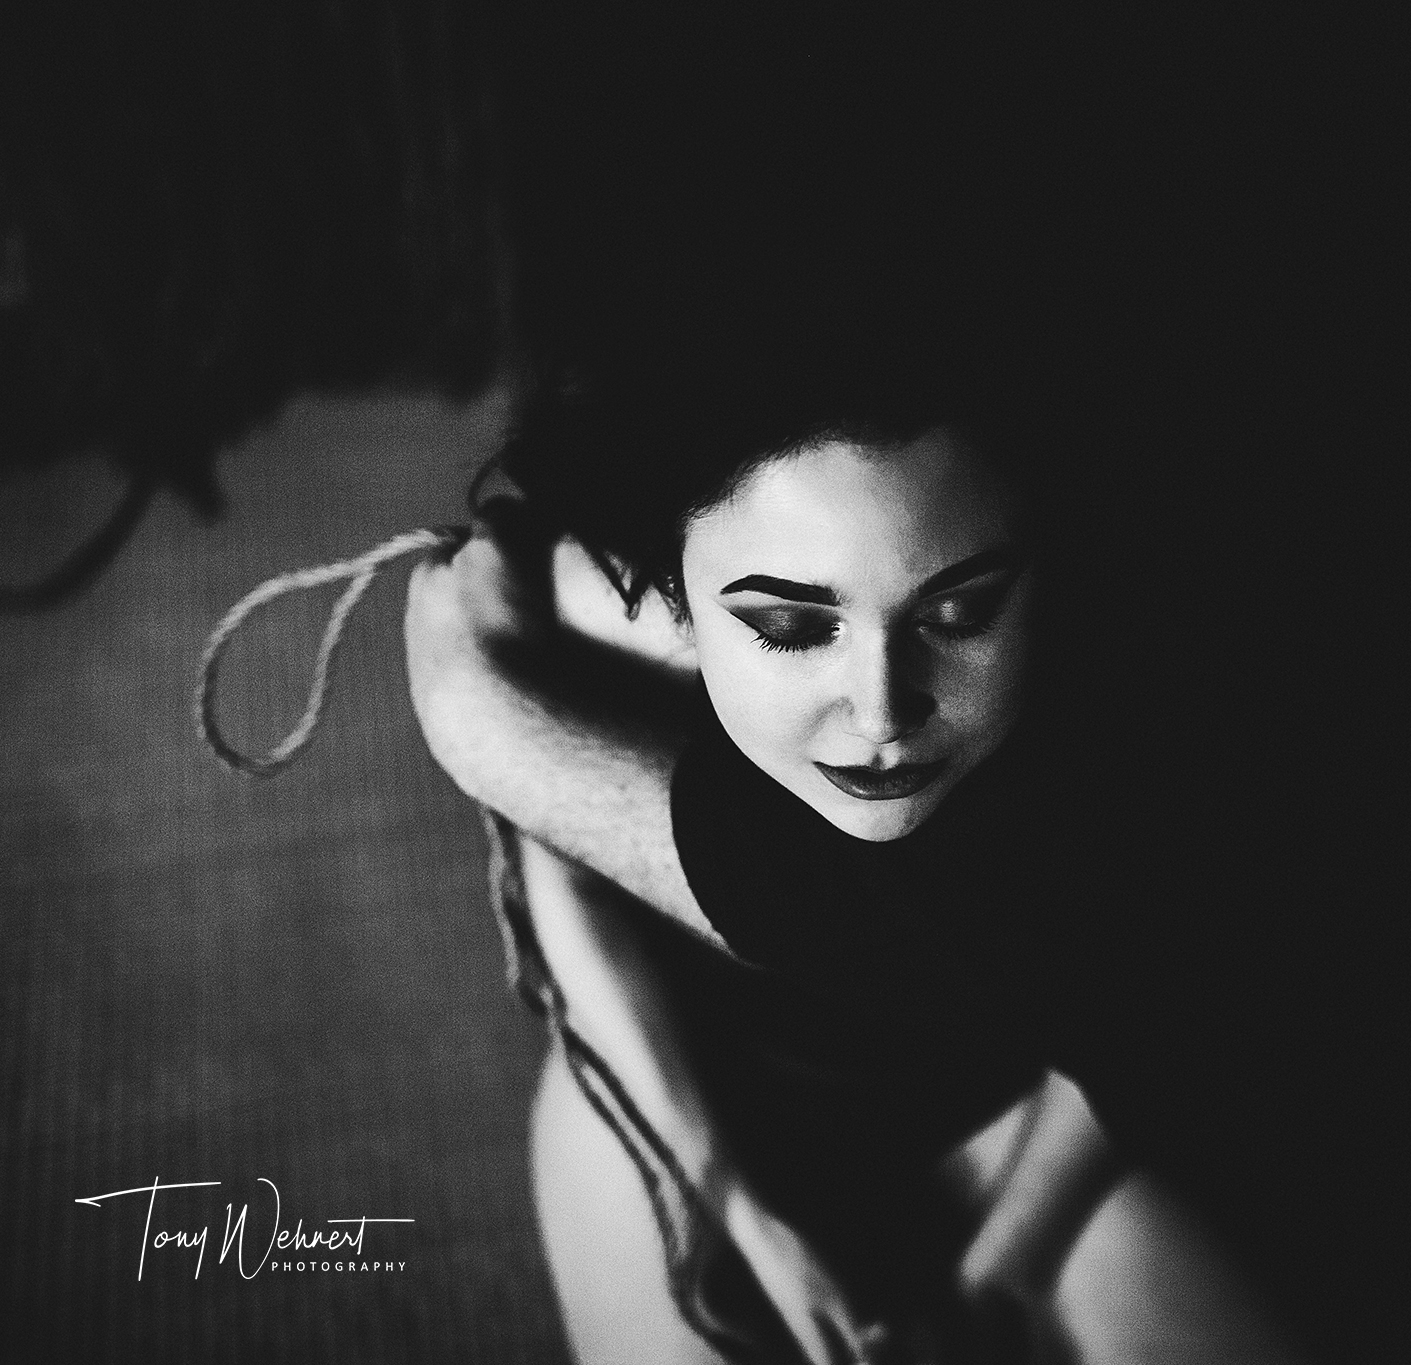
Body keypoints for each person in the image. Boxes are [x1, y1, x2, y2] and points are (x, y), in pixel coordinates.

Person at [402, 342, 1315, 1364]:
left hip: (1014, 1103)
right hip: (709, 1085)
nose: (882, 714)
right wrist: (733, 1204)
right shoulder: (597, 617)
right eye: (792, 626)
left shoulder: (1131, 691)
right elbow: (574, 889)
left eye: (960, 612)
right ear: (674, 595)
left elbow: (1130, 1006)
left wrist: (1003, 1266)